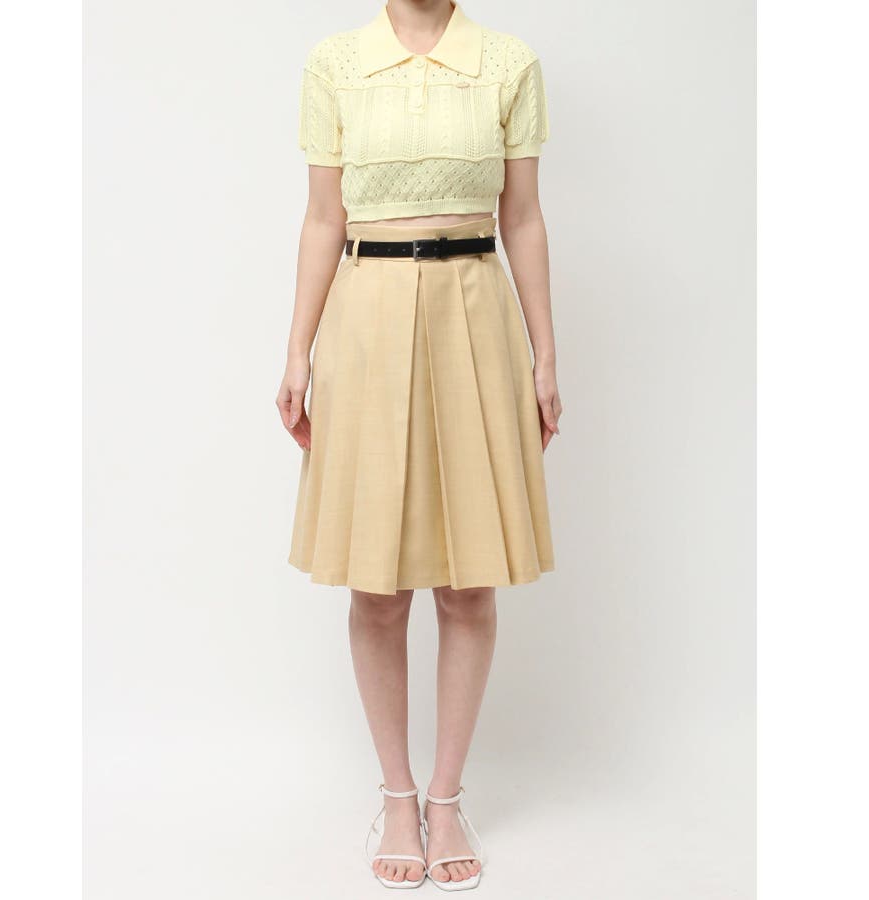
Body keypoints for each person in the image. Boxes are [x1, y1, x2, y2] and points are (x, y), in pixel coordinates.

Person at [278, 0, 561, 890]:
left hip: (475, 312)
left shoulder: (508, 61)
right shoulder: (335, 62)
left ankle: (446, 798)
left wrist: (546, 355)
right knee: (378, 581)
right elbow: (322, 218)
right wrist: (297, 352)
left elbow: (523, 218)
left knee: (468, 579)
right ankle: (396, 797)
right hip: (365, 317)